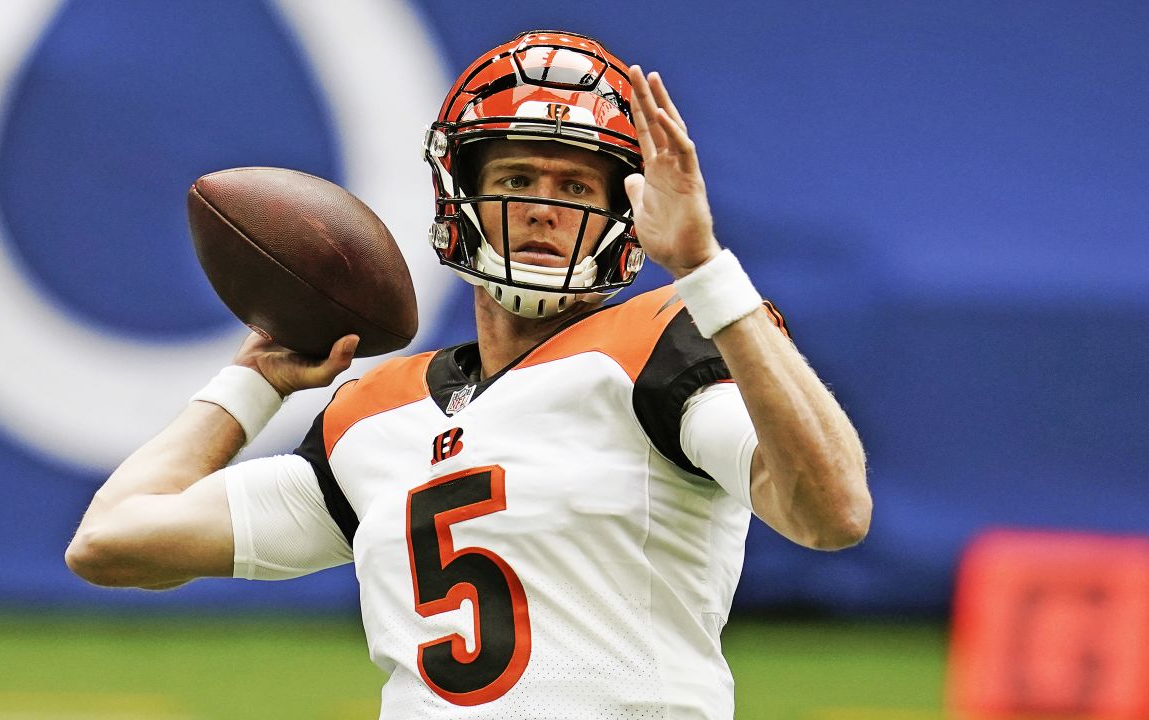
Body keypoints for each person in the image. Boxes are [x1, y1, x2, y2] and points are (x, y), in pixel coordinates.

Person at [66, 30, 870, 719]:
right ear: (462, 198)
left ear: (627, 211)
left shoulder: (659, 345)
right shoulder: (374, 417)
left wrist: (706, 272)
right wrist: (258, 377)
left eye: (576, 185)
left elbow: (831, 512)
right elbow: (111, 541)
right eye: (517, 180)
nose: (546, 209)